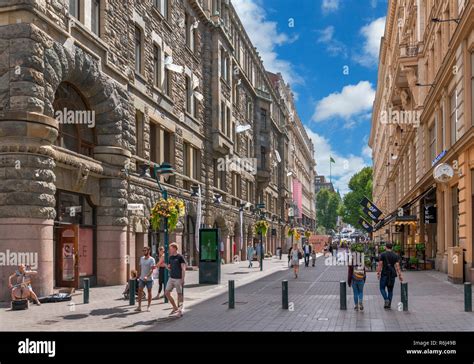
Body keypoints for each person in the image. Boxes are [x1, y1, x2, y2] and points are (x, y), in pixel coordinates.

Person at [377, 242, 403, 309]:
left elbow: (380, 264)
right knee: (390, 290)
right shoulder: (395, 255)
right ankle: (388, 305)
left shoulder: (382, 254)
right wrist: (400, 275)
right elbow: (397, 266)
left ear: (386, 247)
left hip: (384, 274)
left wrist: (378, 273)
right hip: (392, 274)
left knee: (382, 288)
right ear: (392, 247)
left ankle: (386, 300)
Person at [165, 243, 187, 317]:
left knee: (179, 295)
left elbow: (183, 269)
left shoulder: (180, 257)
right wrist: (167, 267)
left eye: (170, 248)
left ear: (174, 248)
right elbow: (170, 267)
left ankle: (180, 311)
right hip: (171, 278)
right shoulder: (170, 257)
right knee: (167, 292)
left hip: (178, 278)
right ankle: (175, 307)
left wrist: (183, 279)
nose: (169, 250)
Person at [136, 246, 155, 312]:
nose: (144, 252)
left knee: (149, 292)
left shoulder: (152, 259)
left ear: (149, 251)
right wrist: (138, 275)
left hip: (149, 279)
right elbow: (140, 267)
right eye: (143, 250)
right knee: (139, 291)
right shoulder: (141, 258)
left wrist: (147, 276)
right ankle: (139, 307)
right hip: (141, 278)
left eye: (145, 250)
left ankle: (148, 307)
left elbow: (152, 270)